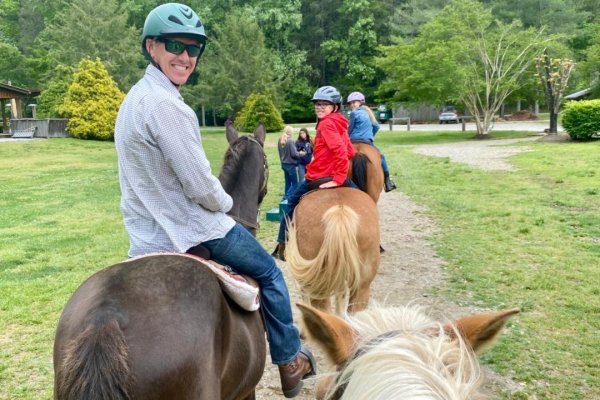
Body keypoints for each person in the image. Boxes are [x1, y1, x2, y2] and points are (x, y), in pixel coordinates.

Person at [114, 4, 315, 397]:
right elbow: (200, 187)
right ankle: (290, 360)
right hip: (190, 228)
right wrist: (225, 204)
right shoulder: (169, 107)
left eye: (194, 49)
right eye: (176, 45)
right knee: (271, 273)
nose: (186, 57)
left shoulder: (133, 100)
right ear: (151, 47)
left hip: (145, 234)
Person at [272, 86, 356, 261]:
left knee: (290, 203)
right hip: (336, 174)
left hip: (319, 176)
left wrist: (337, 178)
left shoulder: (326, 124)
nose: (319, 107)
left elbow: (341, 152)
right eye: (317, 104)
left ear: (335, 106)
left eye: (325, 104)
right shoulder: (340, 123)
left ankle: (283, 243)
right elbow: (350, 152)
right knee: (364, 198)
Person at [347, 91, 397, 192]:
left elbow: (350, 129)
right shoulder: (369, 112)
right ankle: (387, 182)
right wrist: (370, 136)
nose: (352, 105)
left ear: (361, 102)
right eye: (350, 103)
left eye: (354, 102)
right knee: (381, 157)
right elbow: (376, 126)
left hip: (353, 140)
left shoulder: (354, 113)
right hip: (367, 141)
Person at [278, 125, 302, 200]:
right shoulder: (290, 141)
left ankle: (286, 199)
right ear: (291, 132)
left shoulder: (280, 139)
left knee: (288, 183)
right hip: (291, 165)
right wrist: (301, 153)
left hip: (284, 164)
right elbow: (294, 154)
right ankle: (286, 198)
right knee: (295, 184)